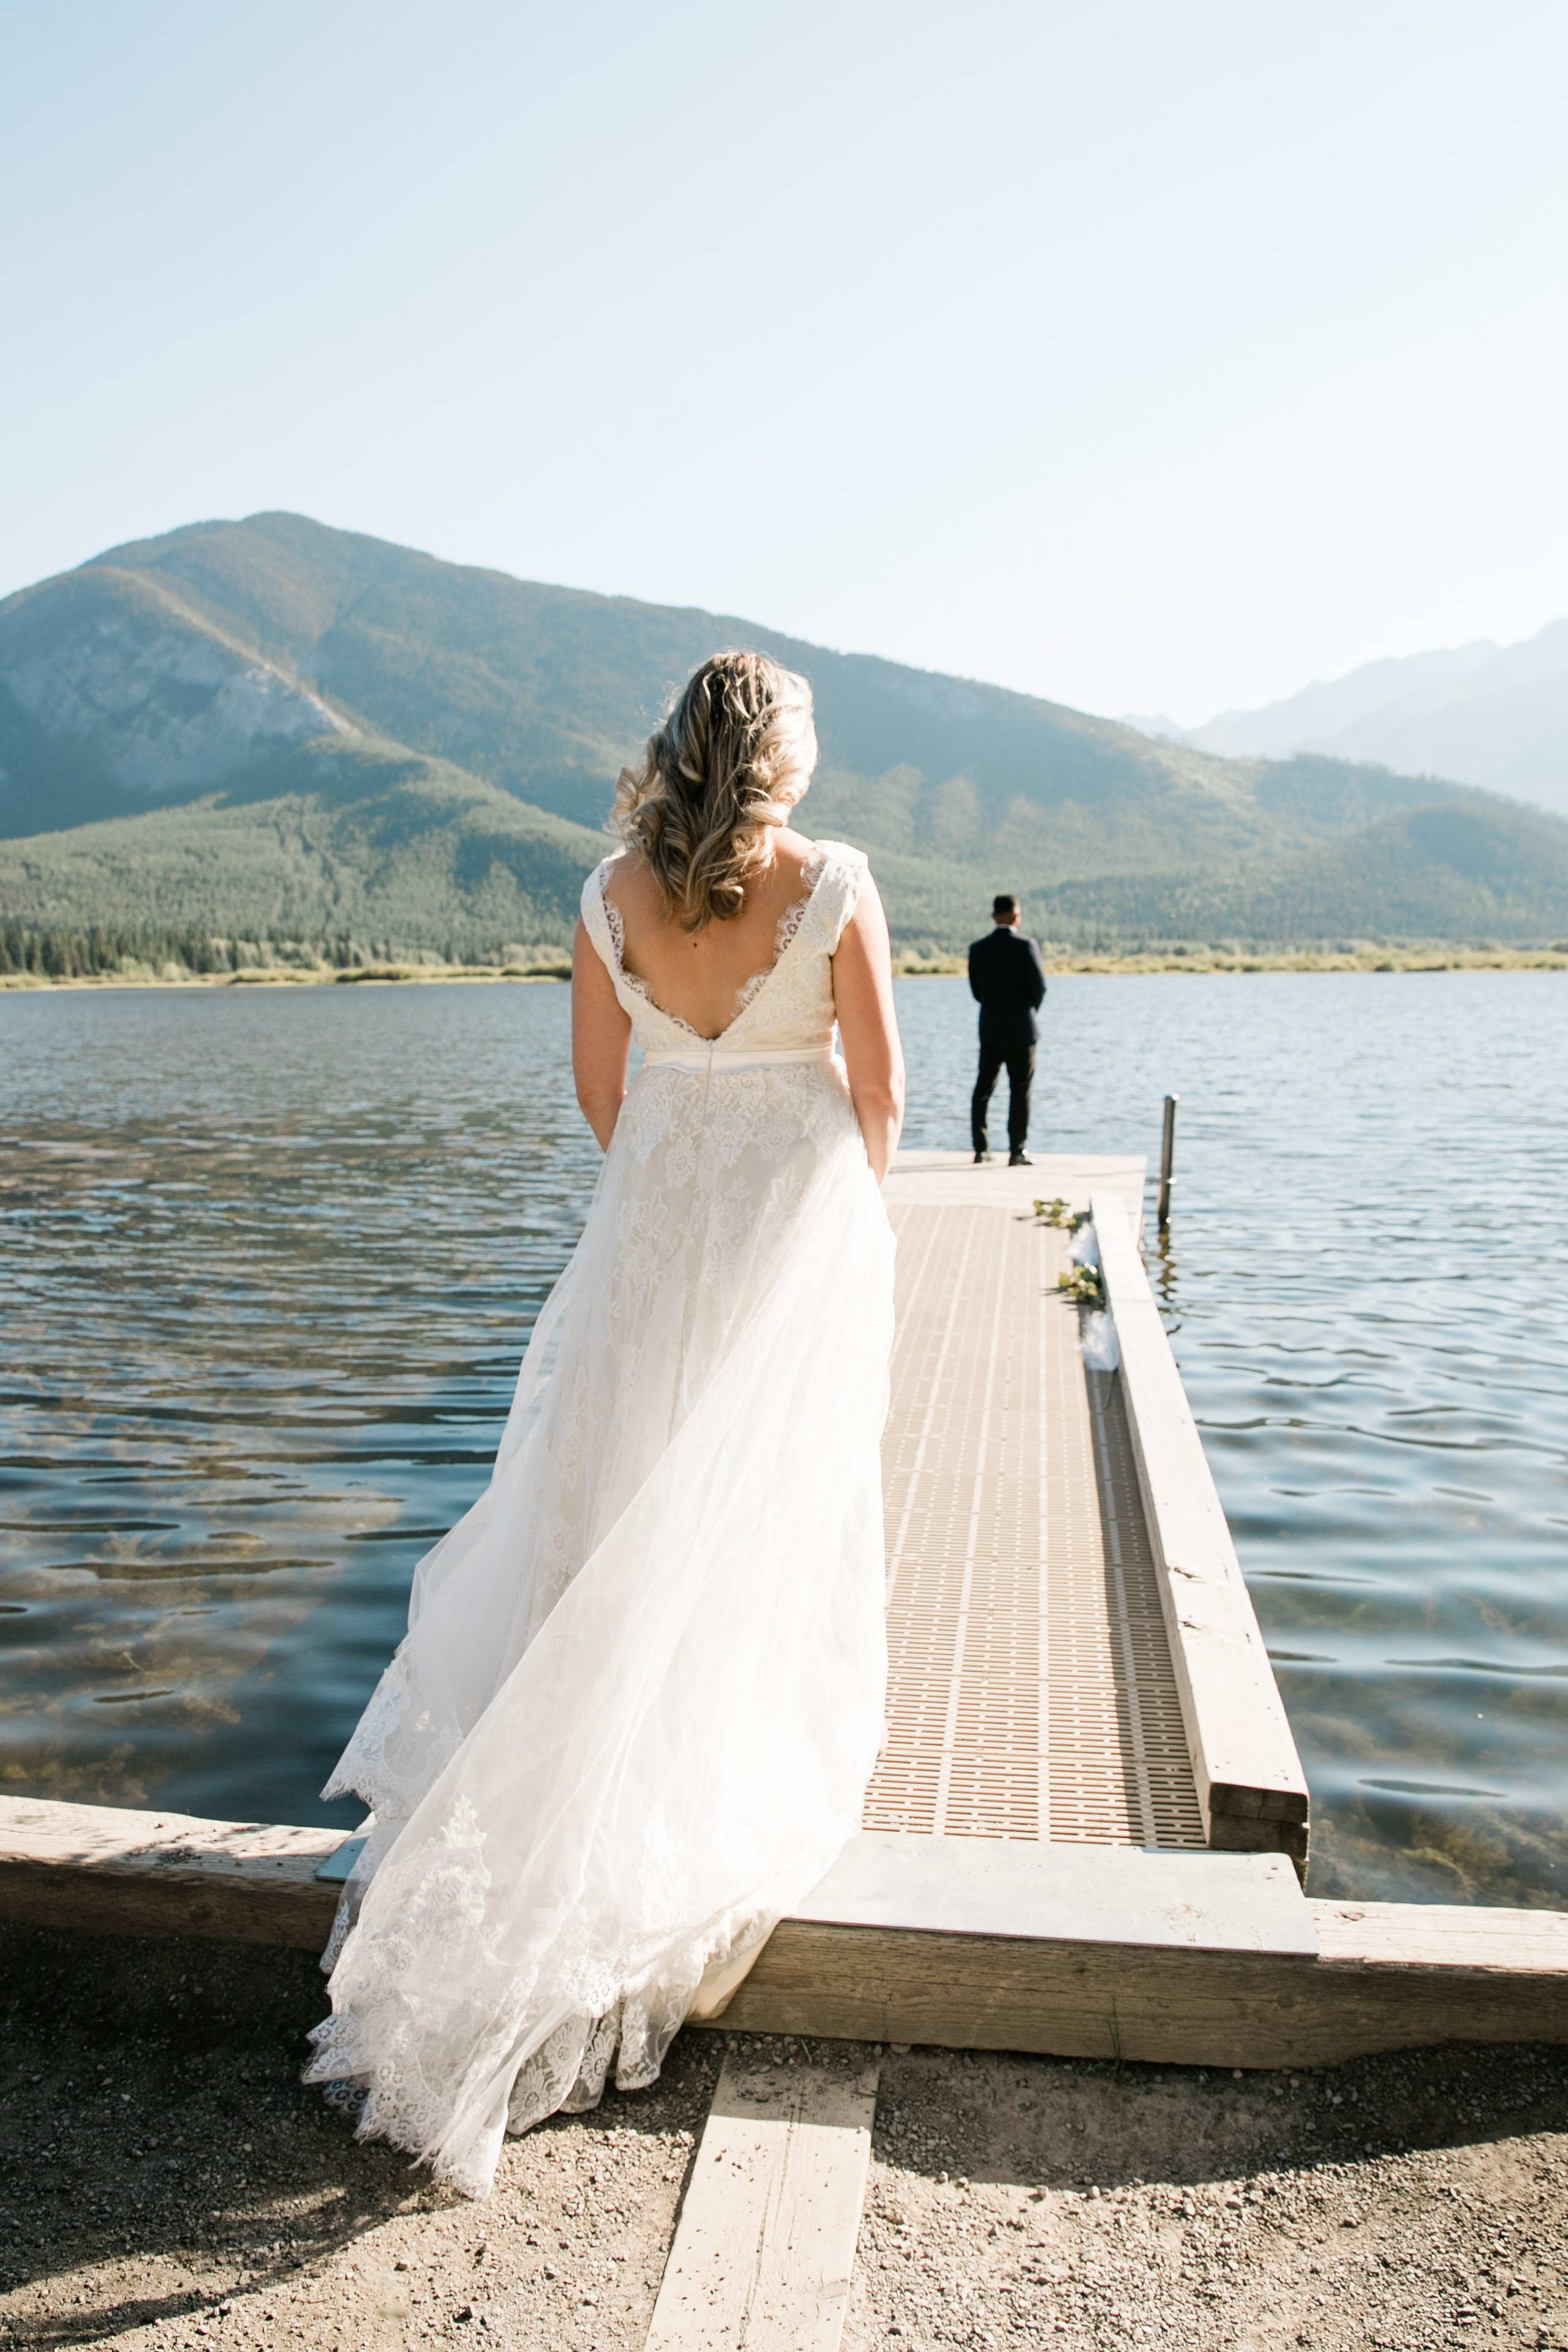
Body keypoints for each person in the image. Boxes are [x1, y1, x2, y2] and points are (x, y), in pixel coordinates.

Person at [304, 651, 905, 2198]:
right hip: (782, 1239)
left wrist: (674, 1187)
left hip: (651, 1243)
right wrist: (817, 1216)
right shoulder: (831, 881)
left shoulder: (607, 893)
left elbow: (602, 1093)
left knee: (622, 1506)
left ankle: (558, 1797)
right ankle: (695, 1774)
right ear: (781, 753)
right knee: (750, 1515)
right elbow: (885, 1101)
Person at [968, 894, 1046, 1166]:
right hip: (1023, 1030)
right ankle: (1017, 1151)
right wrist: (1026, 1011)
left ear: (994, 916)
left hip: (990, 1028)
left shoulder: (978, 948)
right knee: (1020, 1089)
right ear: (1016, 916)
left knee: (983, 1088)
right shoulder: (1027, 946)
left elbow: (977, 992)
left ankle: (981, 1148)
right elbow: (1039, 988)